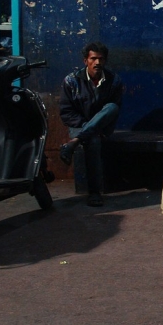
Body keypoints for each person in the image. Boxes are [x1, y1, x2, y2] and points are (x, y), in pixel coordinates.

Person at [59, 41, 123, 207]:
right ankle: (94, 193)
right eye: (93, 59)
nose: (97, 63)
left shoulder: (114, 81)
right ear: (85, 61)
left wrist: (98, 127)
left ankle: (75, 142)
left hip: (101, 128)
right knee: (92, 141)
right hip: (79, 126)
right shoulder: (71, 81)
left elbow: (114, 112)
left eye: (101, 59)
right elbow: (66, 113)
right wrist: (88, 127)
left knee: (111, 107)